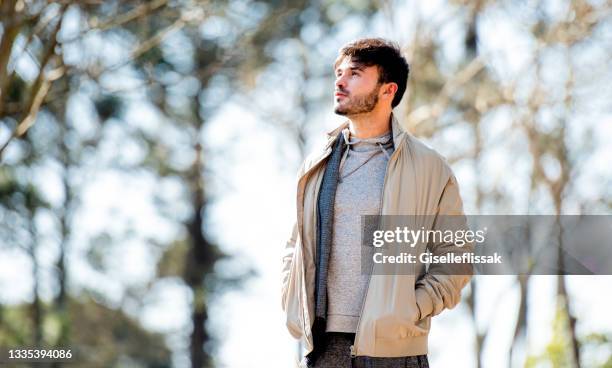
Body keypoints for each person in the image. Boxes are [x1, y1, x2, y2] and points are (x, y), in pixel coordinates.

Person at [281, 38, 474, 368]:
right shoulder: (317, 164)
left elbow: (456, 257)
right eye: (339, 73)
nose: (340, 81)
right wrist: (292, 297)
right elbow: (295, 245)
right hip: (324, 349)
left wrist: (408, 308)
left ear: (388, 90)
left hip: (395, 352)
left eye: (355, 74)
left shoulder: (428, 167)